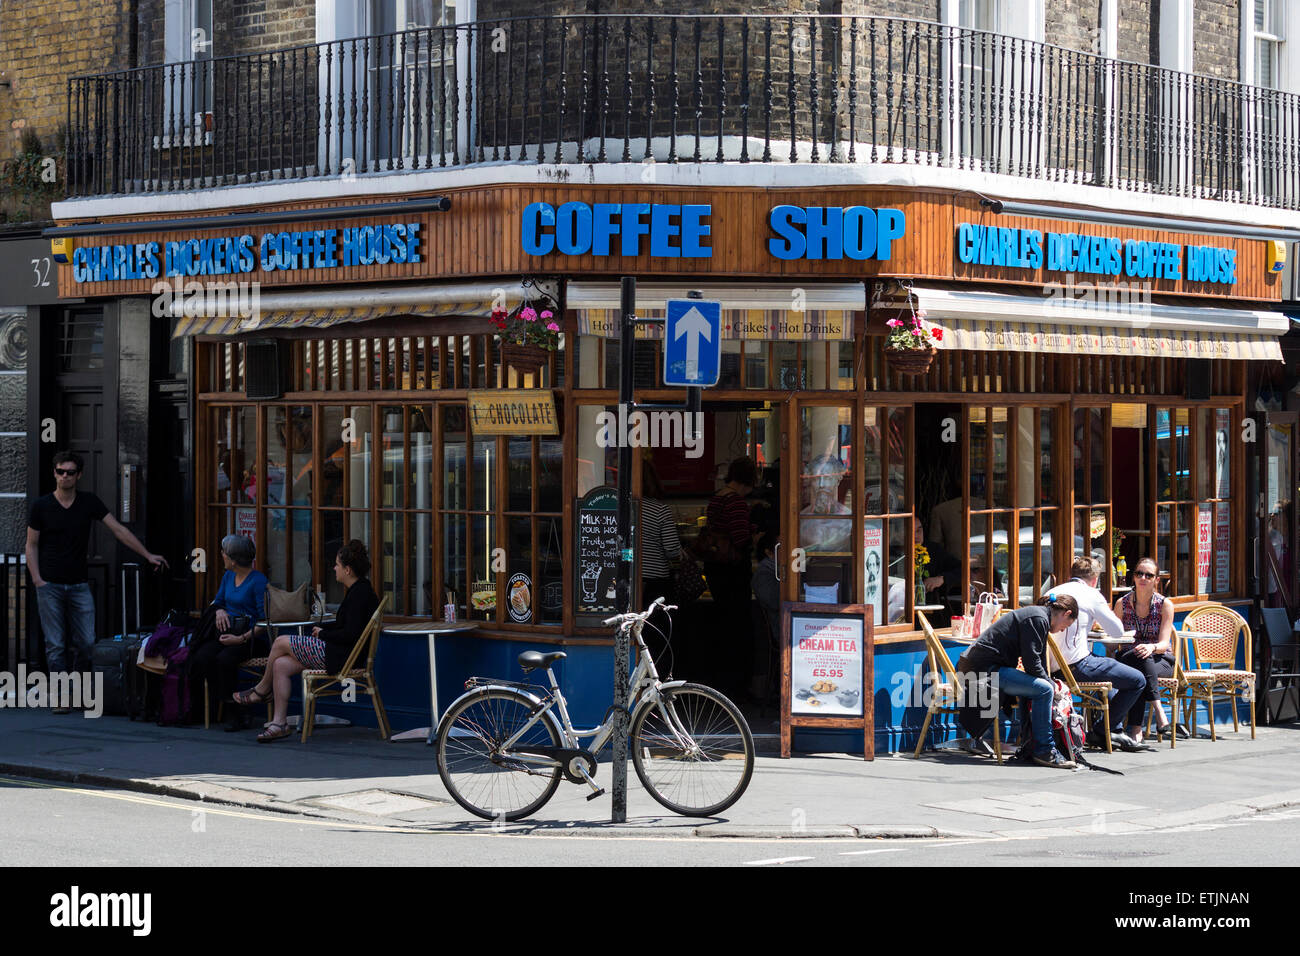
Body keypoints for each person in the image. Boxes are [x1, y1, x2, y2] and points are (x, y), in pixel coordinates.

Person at [26, 451, 169, 713]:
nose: (65, 477)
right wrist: (37, 579)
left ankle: (78, 691)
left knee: (86, 641)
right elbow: (31, 544)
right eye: (60, 472)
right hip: (49, 584)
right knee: (55, 644)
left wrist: (147, 555)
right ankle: (61, 696)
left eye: (70, 472)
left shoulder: (88, 502)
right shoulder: (42, 506)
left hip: (79, 583)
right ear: (54, 473)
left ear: (78, 475)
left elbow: (118, 529)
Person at [234, 540, 379, 742]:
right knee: (280, 664)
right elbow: (346, 628)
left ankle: (262, 690)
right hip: (337, 652)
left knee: (280, 642)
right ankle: (279, 724)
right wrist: (323, 631)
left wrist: (323, 634)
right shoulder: (359, 591)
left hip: (340, 657)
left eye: (337, 564)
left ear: (347, 570)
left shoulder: (360, 595)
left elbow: (350, 634)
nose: (334, 568)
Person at [956, 592, 1081, 769]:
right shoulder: (1038, 619)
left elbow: (1036, 663)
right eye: (1065, 626)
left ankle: (1030, 746)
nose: (1062, 630)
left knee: (1037, 687)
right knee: (1044, 689)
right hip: (983, 670)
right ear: (1066, 613)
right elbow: (1032, 663)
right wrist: (1052, 685)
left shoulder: (1039, 616)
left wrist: (1048, 681)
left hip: (984, 667)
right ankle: (1044, 750)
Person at [1050, 556, 1146, 752]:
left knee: (1111, 678)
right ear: (1094, 579)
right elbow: (1117, 632)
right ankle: (1103, 730)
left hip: (1050, 668)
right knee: (1137, 680)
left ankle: (1113, 729)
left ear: (1071, 575)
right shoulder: (1091, 594)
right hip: (1077, 666)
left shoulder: (1053, 592)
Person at [187, 535, 268, 731]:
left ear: (233, 560)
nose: (221, 555)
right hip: (226, 633)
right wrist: (219, 611)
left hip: (251, 638)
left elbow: (265, 622)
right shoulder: (228, 576)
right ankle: (211, 708)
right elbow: (217, 602)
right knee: (201, 656)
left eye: (224, 553)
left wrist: (240, 638)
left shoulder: (258, 581)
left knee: (224, 660)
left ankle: (236, 711)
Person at [699, 457, 757, 701]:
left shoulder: (718, 497)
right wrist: (756, 535)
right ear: (750, 479)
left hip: (715, 568)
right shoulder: (736, 502)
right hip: (733, 570)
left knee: (723, 622)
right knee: (738, 626)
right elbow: (741, 537)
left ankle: (720, 679)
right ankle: (737, 686)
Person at [1113, 557, 1180, 743]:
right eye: (1139, 573)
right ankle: (1159, 712)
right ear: (1133, 577)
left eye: (1148, 575)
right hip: (1128, 656)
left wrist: (1151, 647)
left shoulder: (1164, 605)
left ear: (1156, 580)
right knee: (1139, 658)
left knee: (1141, 667)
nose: (1143, 578)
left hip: (1161, 659)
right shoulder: (1122, 604)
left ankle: (1136, 728)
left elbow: (1164, 644)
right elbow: (1113, 641)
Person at [638, 459, 681, 664]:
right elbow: (672, 550)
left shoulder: (618, 508)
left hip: (626, 580)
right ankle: (656, 681)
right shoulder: (660, 510)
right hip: (656, 582)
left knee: (632, 633)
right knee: (656, 636)